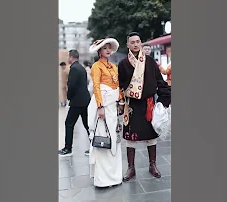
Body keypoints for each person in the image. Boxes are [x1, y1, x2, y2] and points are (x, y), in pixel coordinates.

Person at [118, 32, 171, 181]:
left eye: (138, 41)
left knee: (151, 136)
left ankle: (152, 165)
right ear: (127, 45)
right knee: (130, 138)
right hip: (132, 105)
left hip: (148, 104)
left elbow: (160, 81)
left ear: (141, 43)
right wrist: (120, 103)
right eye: (132, 42)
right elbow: (120, 86)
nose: (135, 44)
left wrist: (164, 99)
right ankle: (131, 168)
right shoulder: (122, 64)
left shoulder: (149, 61)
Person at [87, 38, 123, 187]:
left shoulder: (114, 67)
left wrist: (121, 101)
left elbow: (117, 85)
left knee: (113, 137)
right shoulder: (96, 66)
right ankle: (103, 179)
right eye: (104, 48)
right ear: (99, 51)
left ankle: (115, 176)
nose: (108, 50)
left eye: (109, 48)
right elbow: (96, 86)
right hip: (103, 106)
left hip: (113, 107)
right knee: (103, 137)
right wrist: (100, 106)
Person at [58, 50, 91, 157]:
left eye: (68, 56)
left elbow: (71, 86)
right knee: (88, 125)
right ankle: (93, 147)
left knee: (69, 123)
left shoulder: (74, 69)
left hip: (77, 102)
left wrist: (69, 97)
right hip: (85, 100)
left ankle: (68, 148)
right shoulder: (81, 68)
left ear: (71, 57)